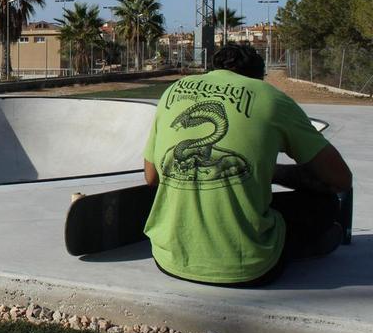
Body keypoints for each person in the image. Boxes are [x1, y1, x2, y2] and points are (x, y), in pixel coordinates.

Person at [142, 43, 352, 287]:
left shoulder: (172, 91)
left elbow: (151, 177)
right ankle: (306, 246)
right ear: (258, 76)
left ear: (215, 69)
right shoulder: (272, 99)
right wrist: (274, 172)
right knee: (325, 204)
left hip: (168, 259)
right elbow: (340, 179)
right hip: (249, 270)